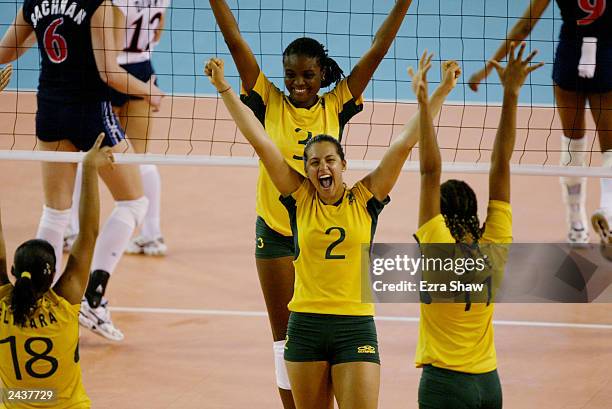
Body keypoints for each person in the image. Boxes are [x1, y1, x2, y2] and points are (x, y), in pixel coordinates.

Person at [205, 54, 460, 409]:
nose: (322, 166)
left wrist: (440, 92)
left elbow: (404, 143)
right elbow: (261, 142)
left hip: (354, 327)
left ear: (343, 164)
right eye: (313, 161)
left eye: (329, 160)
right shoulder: (299, 199)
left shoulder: (365, 198)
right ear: (306, 170)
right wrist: (224, 89)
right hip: (306, 327)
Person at [0, 0, 164, 341]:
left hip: (49, 111)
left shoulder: (36, 2)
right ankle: (93, 297)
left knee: (55, 212)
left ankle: (35, 304)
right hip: (92, 115)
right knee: (134, 203)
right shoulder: (101, 5)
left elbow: (7, 52)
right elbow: (109, 73)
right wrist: (148, 91)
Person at [415, 42, 543, 409]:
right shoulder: (495, 244)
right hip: (489, 383)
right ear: (474, 213)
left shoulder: (436, 244)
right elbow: (500, 164)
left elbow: (428, 171)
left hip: (445, 384)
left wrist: (425, 105)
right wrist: (511, 93)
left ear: (438, 214)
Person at [468, 0, 612, 248]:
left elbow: (525, 26)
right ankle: (608, 211)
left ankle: (576, 224)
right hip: (607, 57)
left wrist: (487, 68)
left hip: (570, 57)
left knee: (572, 145)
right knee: (610, 149)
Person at [0, 133, 112, 409]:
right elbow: (88, 234)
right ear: (53, 276)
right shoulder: (63, 305)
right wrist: (88, 168)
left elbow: (87, 235)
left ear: (14, 270)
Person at [65, 0, 170, 257]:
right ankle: (152, 236)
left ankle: (71, 232)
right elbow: (156, 32)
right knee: (141, 157)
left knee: (86, 154)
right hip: (143, 69)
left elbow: (111, 38)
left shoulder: (112, 0)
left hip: (111, 73)